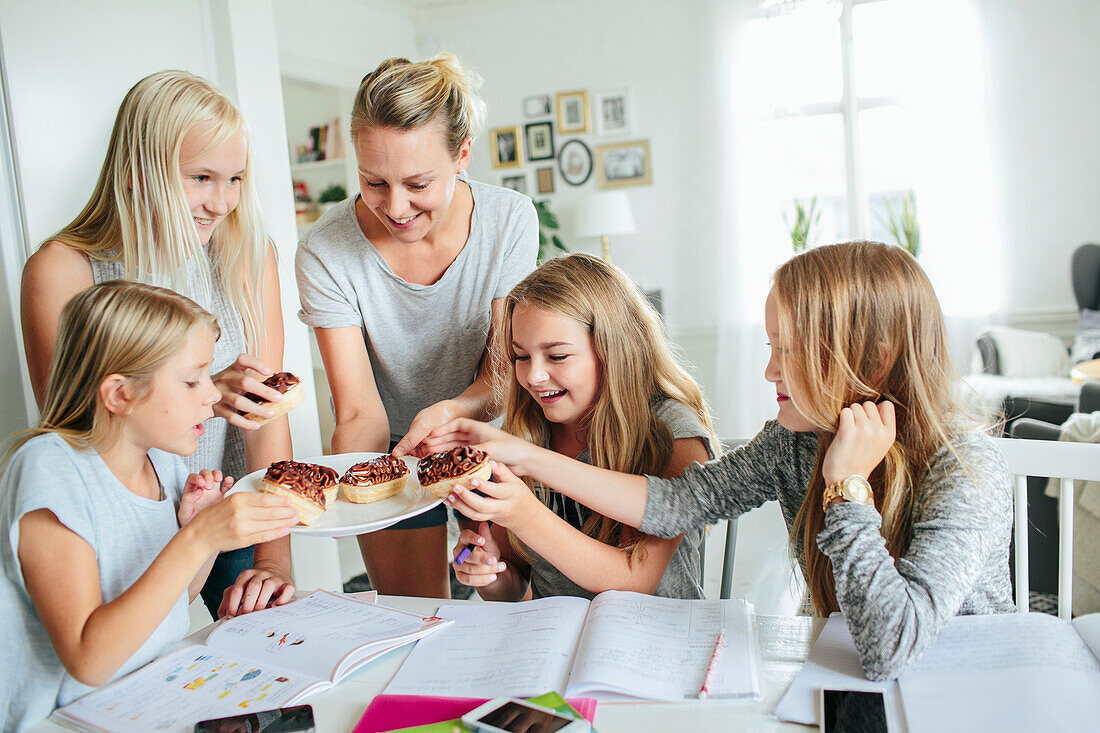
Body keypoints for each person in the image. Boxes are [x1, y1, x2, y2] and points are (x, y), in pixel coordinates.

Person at [429, 242, 1014, 680]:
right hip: (847, 676)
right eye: (770, 348)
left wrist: (848, 489)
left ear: (875, 361)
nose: (768, 371)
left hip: (969, 684)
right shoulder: (793, 443)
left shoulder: (965, 469)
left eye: (790, 351)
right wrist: (526, 457)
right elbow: (676, 502)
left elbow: (890, 646)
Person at [20, 70, 295, 619]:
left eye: (235, 178)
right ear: (136, 173)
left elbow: (266, 415)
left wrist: (276, 560)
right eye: (200, 177)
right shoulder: (63, 269)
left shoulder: (244, 251)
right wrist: (207, 393)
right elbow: (78, 424)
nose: (221, 203)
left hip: (227, 501)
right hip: (124, 517)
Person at [0, 281, 298, 732]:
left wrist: (197, 540)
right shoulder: (49, 470)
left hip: (145, 703)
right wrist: (198, 538)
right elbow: (89, 660)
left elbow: (173, 604)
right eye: (191, 380)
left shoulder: (162, 462)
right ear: (119, 394)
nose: (214, 395)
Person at [295, 53, 538, 597]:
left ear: (462, 156)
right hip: (394, 452)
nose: (396, 206)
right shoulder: (325, 251)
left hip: (492, 431)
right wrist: (350, 485)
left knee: (509, 599)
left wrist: (451, 412)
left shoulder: (509, 221)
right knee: (417, 617)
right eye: (373, 182)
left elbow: (505, 370)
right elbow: (357, 409)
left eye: (417, 183)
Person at [445, 254, 717, 599]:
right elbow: (511, 587)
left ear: (613, 350)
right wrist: (489, 571)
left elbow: (636, 580)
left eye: (556, 356)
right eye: (521, 356)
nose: (533, 376)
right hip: (556, 640)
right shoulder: (529, 430)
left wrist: (523, 514)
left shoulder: (671, 433)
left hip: (659, 636)